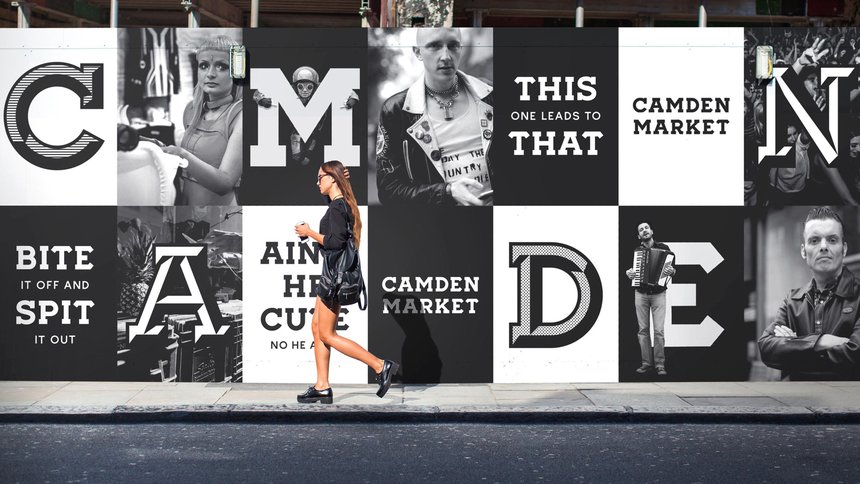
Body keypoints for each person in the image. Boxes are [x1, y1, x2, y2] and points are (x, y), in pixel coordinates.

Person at [294, 160, 398, 403]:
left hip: (334, 278)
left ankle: (380, 365)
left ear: (332, 179)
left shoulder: (339, 208)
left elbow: (335, 243)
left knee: (327, 334)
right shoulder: (339, 205)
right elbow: (334, 223)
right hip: (331, 275)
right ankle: (322, 386)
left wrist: (309, 233)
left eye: (321, 177)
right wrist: (342, 180)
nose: (317, 182)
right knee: (317, 328)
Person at [375, 28, 494, 206]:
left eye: (453, 46)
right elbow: (389, 191)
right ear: (417, 52)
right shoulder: (396, 110)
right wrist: (447, 192)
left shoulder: (488, 95)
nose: (446, 56)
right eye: (434, 46)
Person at [758, 206, 860, 380]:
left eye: (832, 240)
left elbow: (856, 354)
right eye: (814, 240)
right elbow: (767, 348)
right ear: (804, 251)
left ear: (843, 249)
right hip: (799, 402)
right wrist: (821, 341)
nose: (823, 247)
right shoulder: (792, 301)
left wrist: (795, 346)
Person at [162, 35, 243, 206]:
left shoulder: (241, 115)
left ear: (237, 71)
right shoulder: (191, 110)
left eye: (221, 66)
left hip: (220, 213)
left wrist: (182, 154)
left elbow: (225, 183)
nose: (210, 74)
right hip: (184, 209)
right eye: (204, 66)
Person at [625, 222, 676, 377]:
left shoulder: (665, 248)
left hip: (659, 293)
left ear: (652, 231)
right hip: (641, 294)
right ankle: (646, 364)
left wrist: (672, 271)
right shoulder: (637, 252)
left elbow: (672, 270)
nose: (644, 231)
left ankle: (660, 365)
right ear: (638, 236)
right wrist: (630, 274)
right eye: (641, 229)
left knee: (658, 331)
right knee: (643, 331)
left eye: (646, 228)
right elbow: (632, 271)